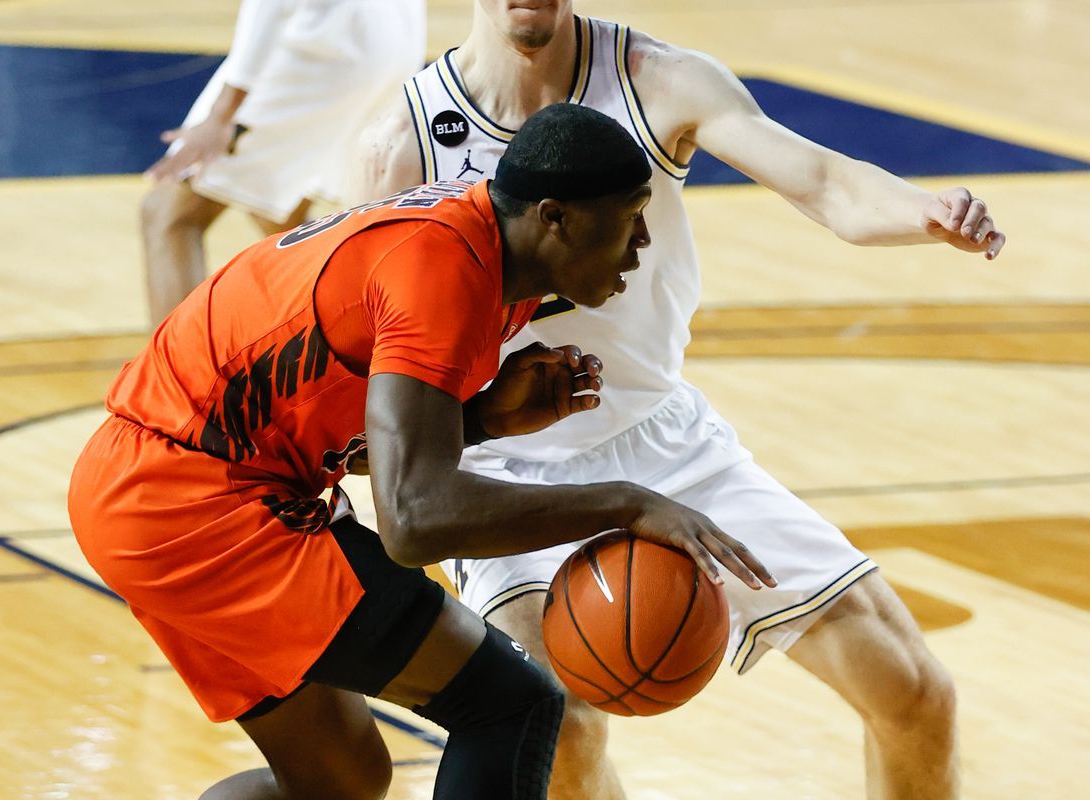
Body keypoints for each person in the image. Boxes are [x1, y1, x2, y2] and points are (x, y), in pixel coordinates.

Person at [355, 3, 1006, 798]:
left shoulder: (657, 82)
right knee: (561, 727)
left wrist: (930, 213)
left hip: (667, 441)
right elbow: (364, 350)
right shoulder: (406, 141)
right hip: (506, 465)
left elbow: (829, 184)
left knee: (913, 689)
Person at [68, 104, 775, 800]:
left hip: (156, 489)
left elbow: (353, 438)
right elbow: (413, 521)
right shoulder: (442, 271)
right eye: (630, 214)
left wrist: (480, 422)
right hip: (189, 502)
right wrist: (627, 504)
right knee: (511, 704)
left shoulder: (484, 249)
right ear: (554, 216)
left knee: (338, 783)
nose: (643, 241)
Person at [142, 0, 426, 325]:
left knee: (170, 215)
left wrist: (221, 114)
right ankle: (347, 340)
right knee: (280, 214)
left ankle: (177, 372)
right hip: (389, 42)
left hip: (321, 52)